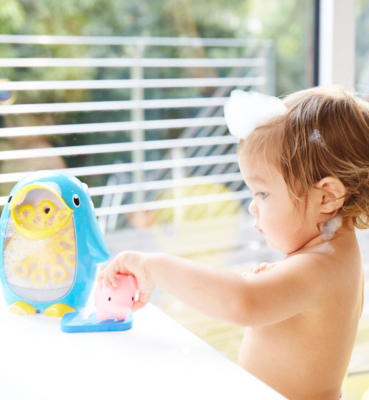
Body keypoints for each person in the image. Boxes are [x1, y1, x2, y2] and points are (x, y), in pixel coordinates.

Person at [97, 85, 368, 400]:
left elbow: (243, 302)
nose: (252, 207)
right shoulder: (334, 257)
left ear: (327, 197)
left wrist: (152, 267)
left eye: (262, 193)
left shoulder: (319, 267)